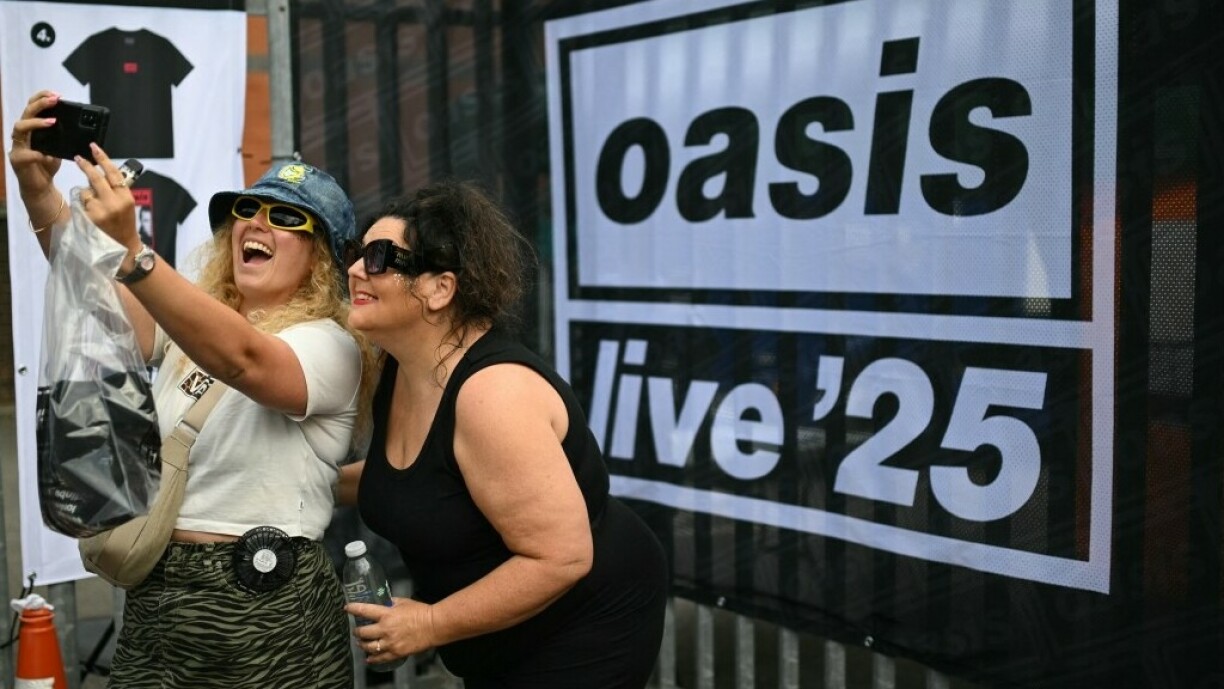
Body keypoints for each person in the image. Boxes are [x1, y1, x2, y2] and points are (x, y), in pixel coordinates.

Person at [9, 89, 376, 688]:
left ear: (322, 259)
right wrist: (36, 188)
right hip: (159, 597)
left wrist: (134, 250)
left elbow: (244, 360)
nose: (257, 223)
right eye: (248, 209)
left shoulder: (331, 345)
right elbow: (88, 275)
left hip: (266, 604)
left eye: (288, 218)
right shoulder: (194, 322)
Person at [338, 180, 669, 688]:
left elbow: (562, 557)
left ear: (439, 289)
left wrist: (430, 623)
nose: (357, 269)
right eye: (356, 253)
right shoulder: (401, 367)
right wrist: (302, 483)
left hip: (584, 626)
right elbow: (422, 480)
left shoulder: (493, 395)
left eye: (380, 257)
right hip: (499, 639)